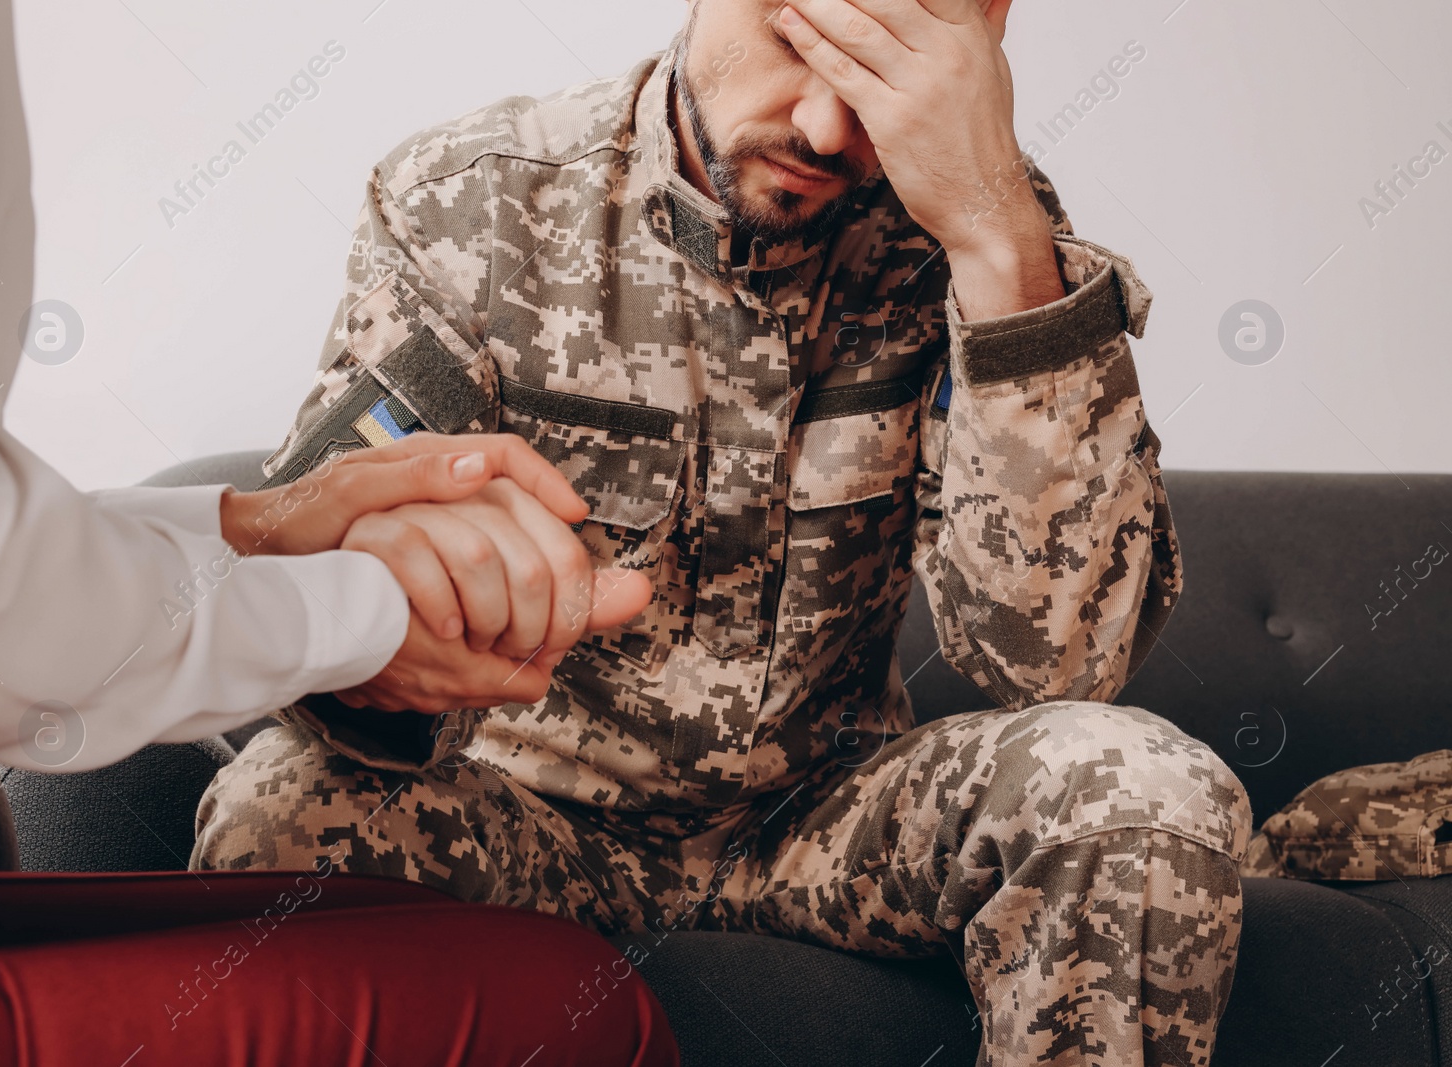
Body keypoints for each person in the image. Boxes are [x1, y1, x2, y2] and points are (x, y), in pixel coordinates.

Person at [194, 1, 1255, 1064]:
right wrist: (392, 652)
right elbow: (307, 607)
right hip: (526, 817)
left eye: (881, 75)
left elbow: (1054, 664)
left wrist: (994, 236)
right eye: (801, 40)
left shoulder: (963, 226)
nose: (830, 128)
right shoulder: (471, 203)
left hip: (828, 829)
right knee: (278, 808)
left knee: (1145, 787)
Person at [0, 1, 674, 1062]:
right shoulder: (474, 194)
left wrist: (255, 527)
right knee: (591, 1010)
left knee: (369, 936)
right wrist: (368, 609)